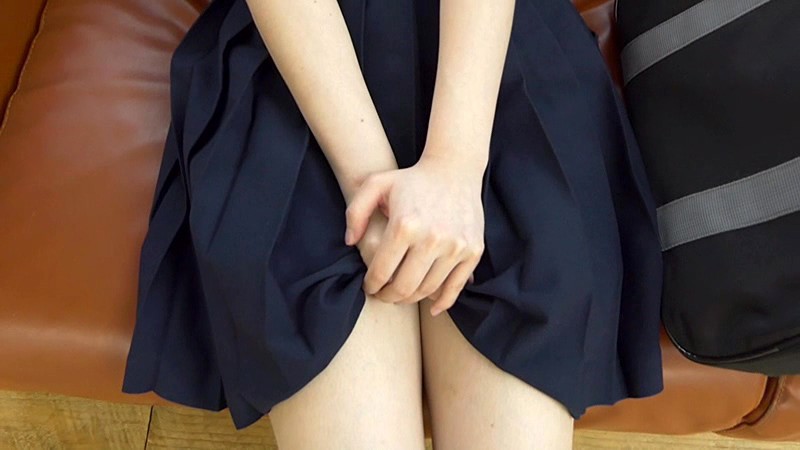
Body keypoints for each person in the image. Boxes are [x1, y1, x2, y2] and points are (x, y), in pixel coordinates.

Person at [121, 0, 666, 448]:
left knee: (529, 290)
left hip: (490, 44)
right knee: (310, 301)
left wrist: (456, 162)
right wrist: (369, 188)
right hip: (303, 56)